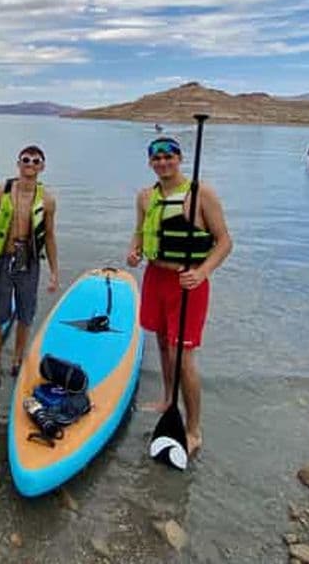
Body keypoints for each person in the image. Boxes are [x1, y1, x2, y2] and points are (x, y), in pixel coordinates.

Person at [126, 136, 232, 457]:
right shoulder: (146, 196)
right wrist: (134, 251)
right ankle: (169, 399)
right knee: (161, 343)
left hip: (187, 284)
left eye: (168, 156)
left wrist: (201, 272)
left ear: (180, 158)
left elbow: (225, 241)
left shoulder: (201, 195)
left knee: (183, 356)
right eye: (156, 158)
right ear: (150, 163)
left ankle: (193, 428)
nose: (163, 162)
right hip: (156, 277)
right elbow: (140, 232)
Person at [0, 145, 59, 376]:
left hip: (29, 262)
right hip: (2, 259)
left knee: (25, 313)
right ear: (18, 163)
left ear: (42, 166)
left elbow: (49, 236)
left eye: (35, 161)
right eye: (26, 160)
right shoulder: (2, 190)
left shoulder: (48, 200)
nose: (30, 164)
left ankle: (18, 354)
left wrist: (53, 272)